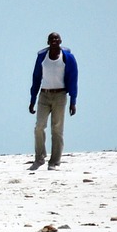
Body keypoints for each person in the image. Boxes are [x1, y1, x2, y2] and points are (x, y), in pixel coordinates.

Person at [28, 32, 78, 170]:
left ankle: (54, 162)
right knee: (39, 127)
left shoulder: (68, 58)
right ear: (48, 41)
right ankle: (39, 158)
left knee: (57, 129)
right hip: (44, 95)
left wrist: (73, 101)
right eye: (52, 38)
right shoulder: (41, 58)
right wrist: (32, 99)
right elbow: (36, 78)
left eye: (56, 38)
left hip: (60, 95)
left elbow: (73, 79)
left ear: (60, 40)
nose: (54, 40)